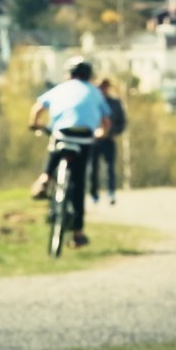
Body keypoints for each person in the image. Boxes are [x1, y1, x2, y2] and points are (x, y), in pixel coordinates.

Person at [28, 57, 111, 248]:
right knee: (79, 184)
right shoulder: (95, 92)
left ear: (69, 74)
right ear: (89, 75)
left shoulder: (60, 88)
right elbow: (106, 120)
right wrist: (101, 134)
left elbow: (38, 108)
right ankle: (78, 233)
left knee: (55, 145)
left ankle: (44, 179)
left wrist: (34, 123)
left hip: (62, 134)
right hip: (84, 138)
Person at [90, 77, 127, 205]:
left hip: (109, 139)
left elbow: (121, 122)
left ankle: (111, 192)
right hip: (93, 140)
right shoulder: (92, 102)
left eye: (105, 87)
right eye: (100, 87)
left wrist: (113, 133)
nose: (102, 90)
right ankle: (93, 194)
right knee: (93, 168)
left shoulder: (115, 103)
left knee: (109, 168)